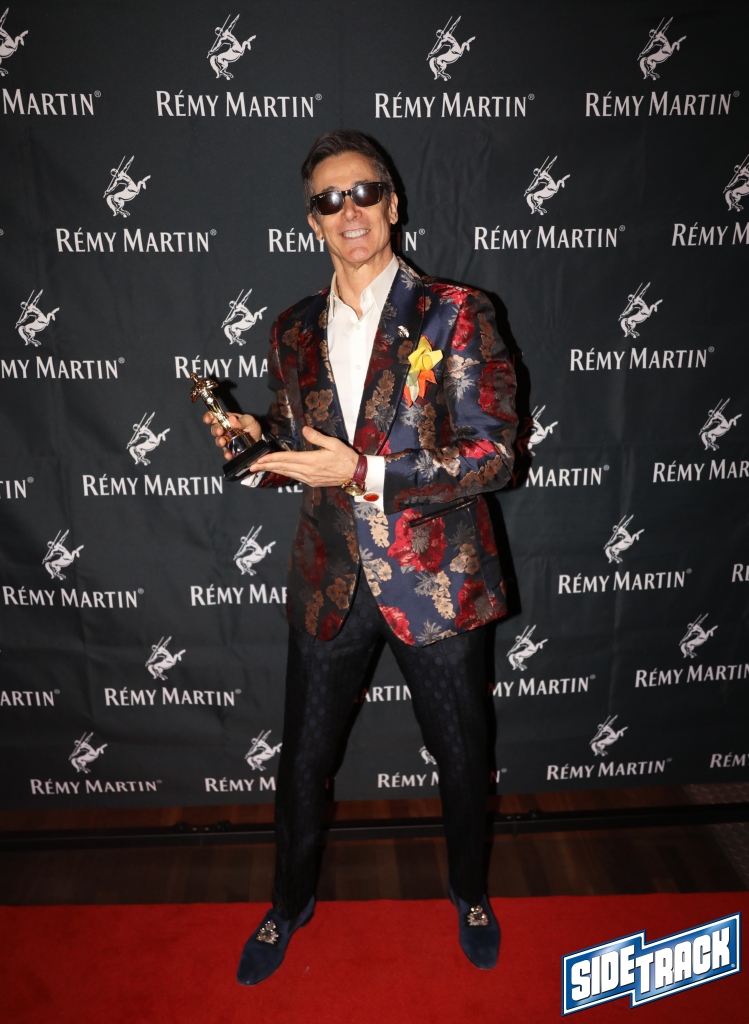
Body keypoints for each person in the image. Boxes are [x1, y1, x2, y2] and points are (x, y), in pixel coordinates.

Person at [203, 130, 517, 984]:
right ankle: (288, 901)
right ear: (311, 220)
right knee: (303, 760)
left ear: (393, 203)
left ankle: (469, 892)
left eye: (364, 192)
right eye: (328, 200)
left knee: (461, 757)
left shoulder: (455, 312)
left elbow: (493, 456)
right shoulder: (291, 328)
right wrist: (256, 444)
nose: (348, 211)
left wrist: (367, 472)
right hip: (328, 581)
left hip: (435, 582)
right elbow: (303, 446)